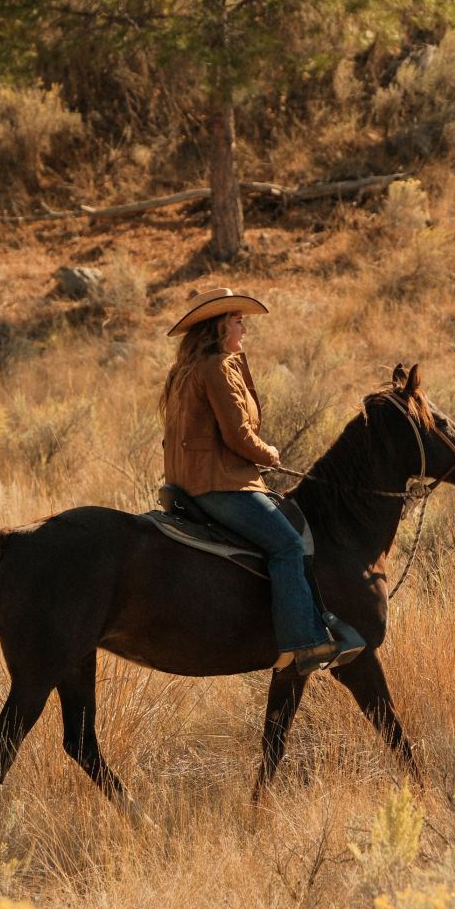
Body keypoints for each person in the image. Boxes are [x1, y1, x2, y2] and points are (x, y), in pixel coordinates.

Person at [160, 287, 363, 676]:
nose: (243, 329)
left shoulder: (183, 371)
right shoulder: (217, 367)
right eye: (238, 320)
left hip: (187, 484)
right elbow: (237, 435)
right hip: (218, 485)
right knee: (287, 544)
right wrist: (267, 453)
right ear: (219, 326)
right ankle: (305, 643)